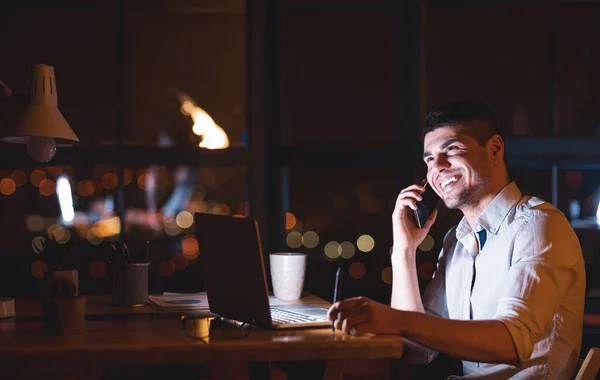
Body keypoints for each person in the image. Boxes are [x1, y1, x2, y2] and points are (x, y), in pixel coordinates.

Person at [328, 100, 586, 379]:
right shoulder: (457, 240)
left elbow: (512, 341)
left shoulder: (538, 225)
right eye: (428, 159)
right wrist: (404, 250)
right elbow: (416, 350)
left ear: (495, 149)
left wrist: (396, 320)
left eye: (451, 149)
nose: (436, 166)